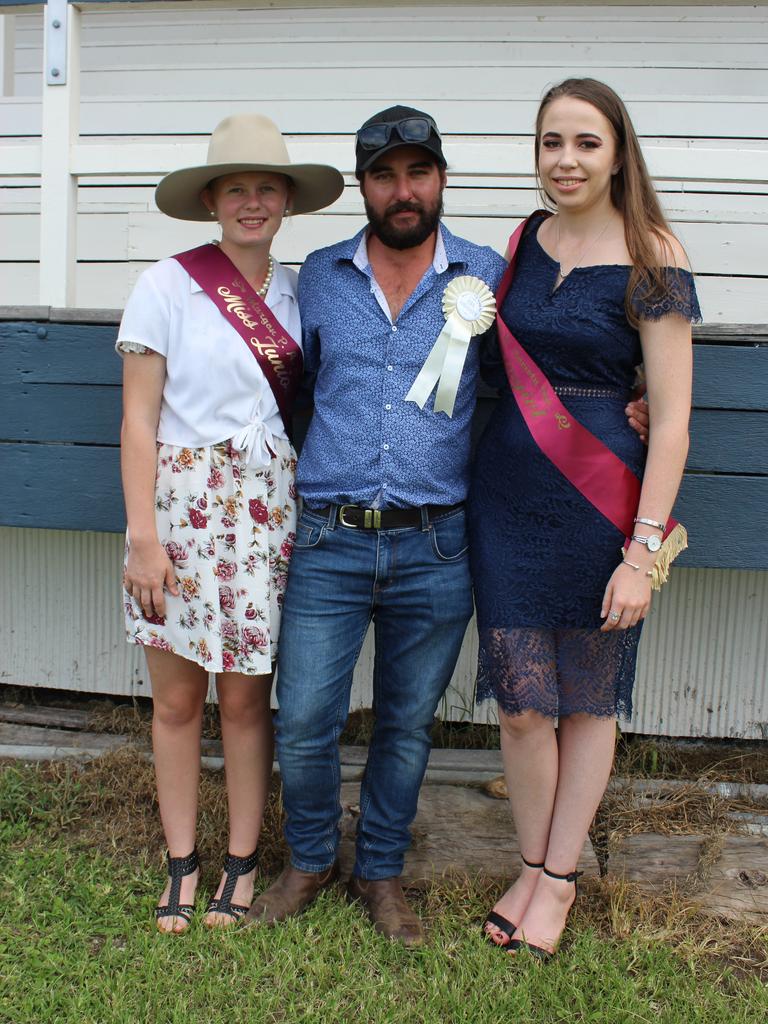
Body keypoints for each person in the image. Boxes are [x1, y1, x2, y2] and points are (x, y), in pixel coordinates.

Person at [243, 104, 651, 946]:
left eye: (417, 172)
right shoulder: (316, 276)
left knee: (405, 721)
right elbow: (283, 386)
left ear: (441, 178)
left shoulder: (488, 275)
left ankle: (382, 873)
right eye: (384, 174)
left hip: (437, 543)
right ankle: (312, 857)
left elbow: (559, 355)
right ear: (363, 185)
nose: (403, 190)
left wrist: (629, 403)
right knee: (305, 716)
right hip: (329, 536)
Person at [469, 78, 700, 959]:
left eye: (585, 143)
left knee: (587, 700)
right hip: (506, 494)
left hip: (601, 504)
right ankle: (531, 863)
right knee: (523, 706)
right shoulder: (524, 241)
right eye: (550, 143)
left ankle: (557, 882)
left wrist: (642, 553)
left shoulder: (652, 253)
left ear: (618, 152)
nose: (565, 161)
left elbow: (672, 419)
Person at [118, 114, 343, 932]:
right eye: (237, 188)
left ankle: (242, 864)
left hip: (263, 519)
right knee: (178, 704)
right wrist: (144, 539)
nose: (254, 202)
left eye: (268, 187)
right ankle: (182, 862)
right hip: (178, 517)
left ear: (287, 200)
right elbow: (139, 423)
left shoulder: (300, 291)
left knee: (248, 705)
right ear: (211, 199)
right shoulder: (165, 285)